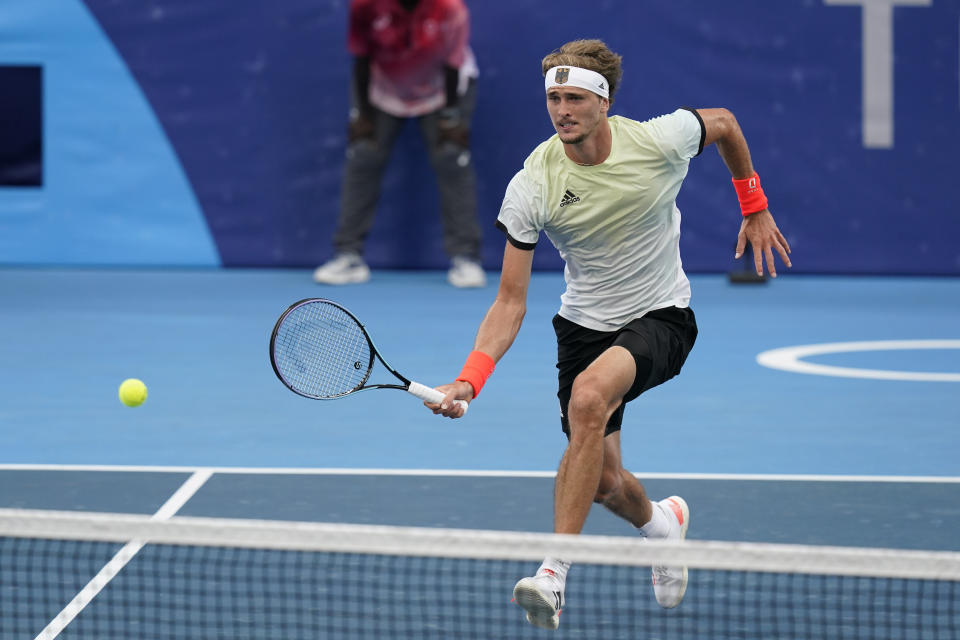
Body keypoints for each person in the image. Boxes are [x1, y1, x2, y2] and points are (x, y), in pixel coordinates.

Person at [427, 39, 791, 629]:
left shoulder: (658, 141)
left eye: (574, 97)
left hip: (662, 315)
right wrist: (472, 379)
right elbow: (510, 301)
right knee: (603, 482)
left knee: (589, 398)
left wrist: (754, 205)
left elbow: (724, 123)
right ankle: (662, 525)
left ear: (604, 102)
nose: (561, 109)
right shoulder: (533, 185)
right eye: (553, 98)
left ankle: (553, 573)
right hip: (583, 326)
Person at [312, 0, 486, 288]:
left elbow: (453, 64)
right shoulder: (364, 5)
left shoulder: (449, 8)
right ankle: (348, 255)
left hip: (445, 91)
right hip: (383, 90)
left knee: (451, 159)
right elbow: (362, 57)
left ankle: (466, 258)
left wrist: (452, 117)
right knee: (363, 156)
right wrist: (363, 115)